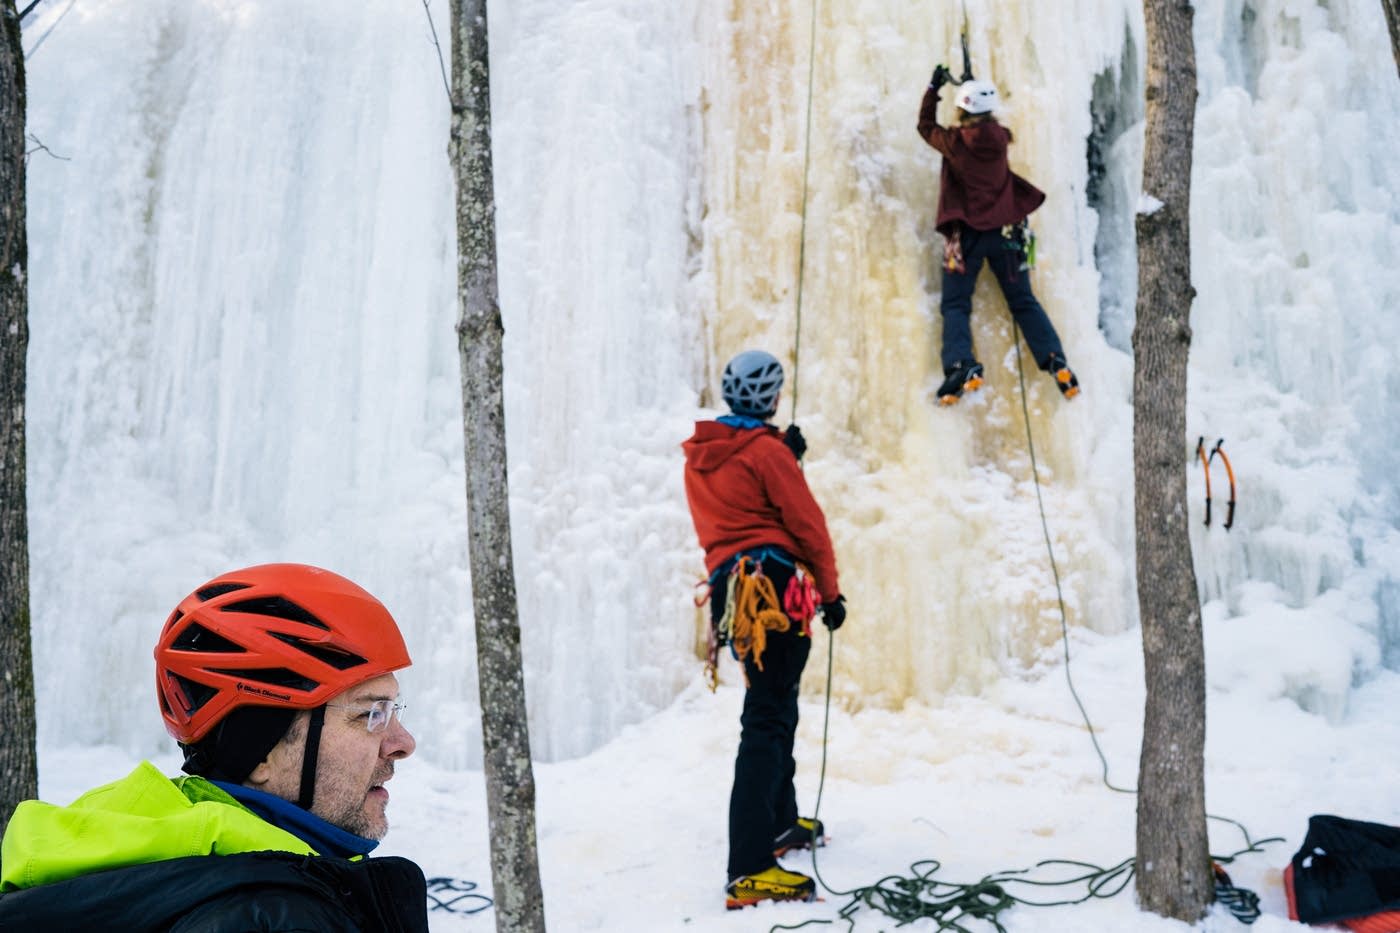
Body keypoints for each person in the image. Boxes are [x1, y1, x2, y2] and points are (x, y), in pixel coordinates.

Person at [0, 562, 429, 932]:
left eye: (394, 710)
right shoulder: (275, 918)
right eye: (369, 714)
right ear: (262, 752)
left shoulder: (134, 867)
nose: (402, 744)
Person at [682, 349, 846, 909]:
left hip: (737, 592)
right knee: (768, 720)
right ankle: (749, 867)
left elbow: (736, 512)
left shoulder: (702, 455)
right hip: (775, 589)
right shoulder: (765, 452)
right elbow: (807, 523)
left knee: (775, 706)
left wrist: (782, 454)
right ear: (770, 396)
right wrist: (830, 591)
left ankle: (778, 821)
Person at [918, 65, 1081, 405]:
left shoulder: (956, 144)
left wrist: (934, 87)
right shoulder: (1001, 138)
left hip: (968, 238)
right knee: (1023, 301)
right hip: (1009, 234)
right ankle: (1056, 360)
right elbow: (983, 122)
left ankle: (962, 366)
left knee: (956, 304)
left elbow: (925, 127)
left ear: (962, 108)